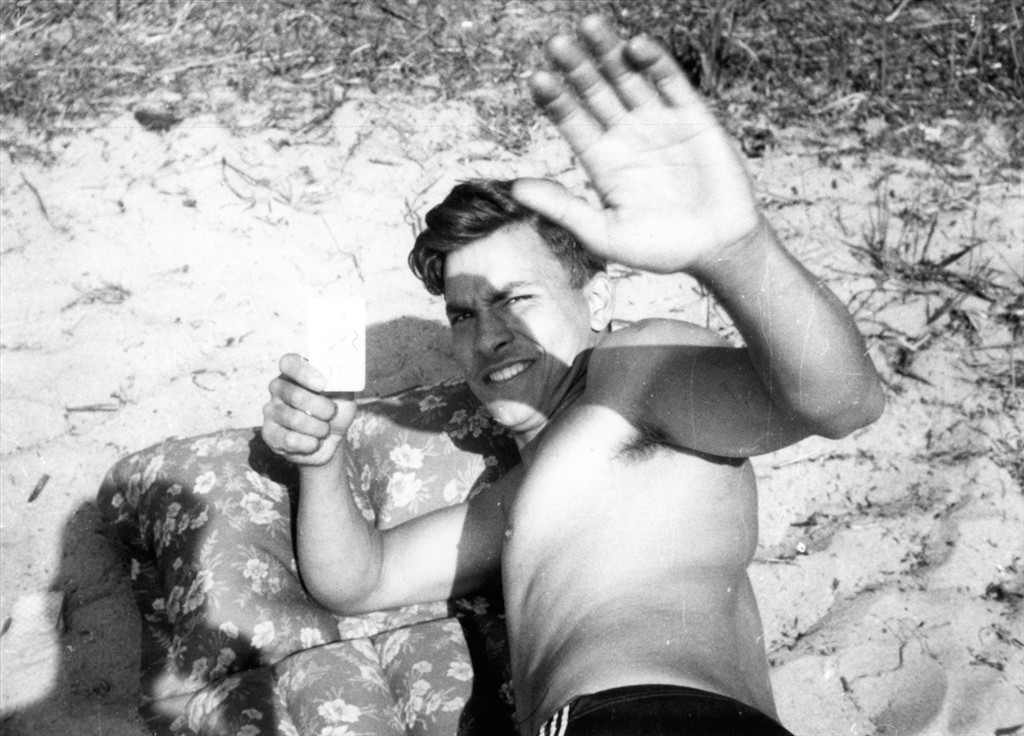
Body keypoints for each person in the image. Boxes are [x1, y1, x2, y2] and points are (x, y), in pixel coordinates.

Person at [261, 15, 885, 736]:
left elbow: (844, 403)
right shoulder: (524, 495)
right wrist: (321, 458)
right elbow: (358, 580)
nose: (488, 336)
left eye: (515, 299)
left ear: (598, 297)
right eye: (462, 315)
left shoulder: (635, 372)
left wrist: (736, 253)